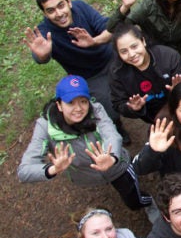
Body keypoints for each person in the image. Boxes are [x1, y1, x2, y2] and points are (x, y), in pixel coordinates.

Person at [18, 75, 152, 212]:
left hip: (116, 167)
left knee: (133, 200)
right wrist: (52, 169)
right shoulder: (45, 126)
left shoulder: (96, 109)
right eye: (70, 103)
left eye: (83, 101)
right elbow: (24, 171)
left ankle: (149, 204)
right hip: (86, 176)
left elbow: (112, 135)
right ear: (59, 105)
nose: (78, 108)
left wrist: (111, 157)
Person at [23, 0, 129, 142]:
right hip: (91, 77)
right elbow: (40, 57)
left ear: (69, 2)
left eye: (61, 5)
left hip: (112, 57)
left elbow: (108, 28)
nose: (59, 14)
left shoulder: (81, 8)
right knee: (111, 110)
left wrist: (93, 41)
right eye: (51, 10)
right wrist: (43, 56)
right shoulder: (45, 32)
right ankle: (117, 127)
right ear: (45, 13)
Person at [110, 22, 181, 123]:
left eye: (134, 46)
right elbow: (118, 103)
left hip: (180, 107)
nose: (131, 54)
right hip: (153, 118)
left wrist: (179, 90)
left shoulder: (168, 56)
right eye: (124, 51)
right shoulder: (117, 73)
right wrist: (132, 108)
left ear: (143, 41)